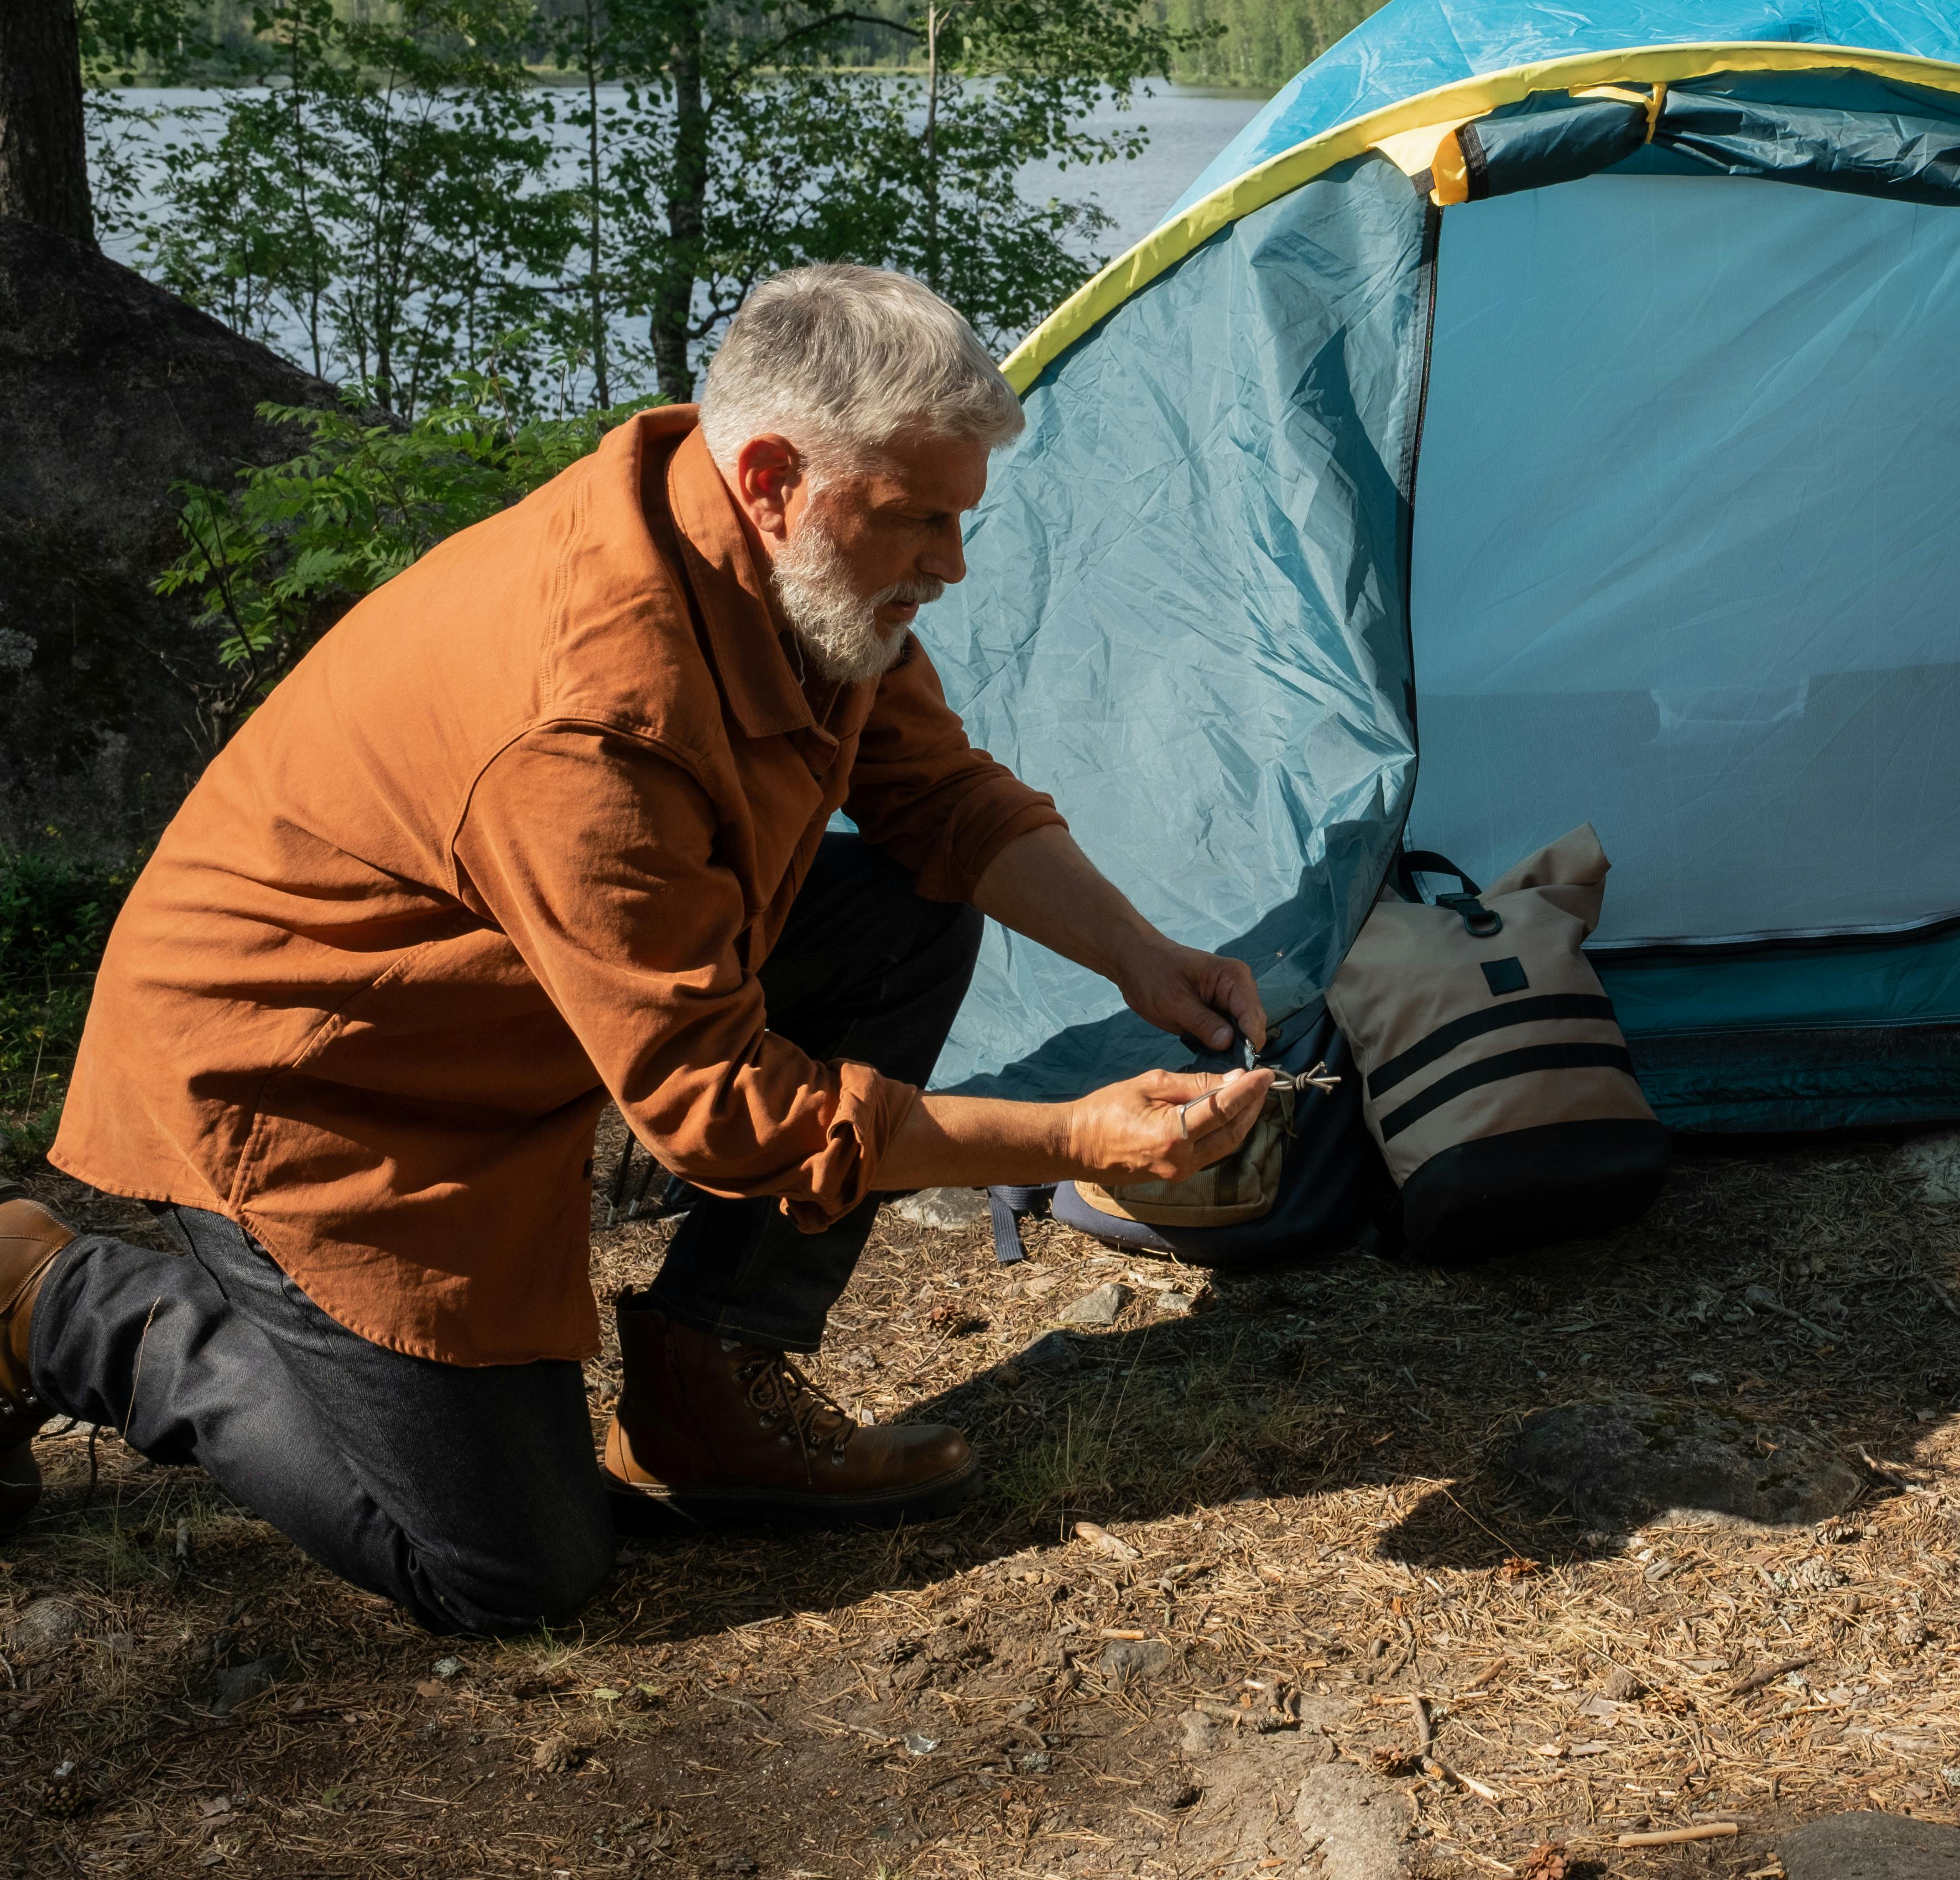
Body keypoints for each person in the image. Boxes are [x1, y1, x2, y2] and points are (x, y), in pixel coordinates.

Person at [0, 264, 1271, 1634]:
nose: (951, 567)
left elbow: (939, 799)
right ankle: (51, 1295)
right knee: (512, 1570)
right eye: (919, 520)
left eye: (962, 520)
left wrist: (1139, 955)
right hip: (312, 1083)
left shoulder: (787, 563)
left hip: (514, 1017)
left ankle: (711, 1385)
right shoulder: (595, 711)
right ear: (775, 474)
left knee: (905, 914)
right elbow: (717, 1110)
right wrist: (1074, 1142)